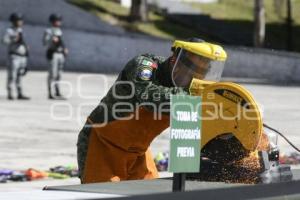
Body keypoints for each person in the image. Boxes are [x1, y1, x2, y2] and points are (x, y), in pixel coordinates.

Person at [77, 38, 227, 183]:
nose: (194, 79)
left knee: (152, 193)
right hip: (101, 144)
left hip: (138, 153)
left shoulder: (189, 90)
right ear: (175, 60)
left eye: (201, 72)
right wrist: (191, 98)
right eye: (192, 71)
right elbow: (147, 95)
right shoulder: (145, 65)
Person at [2, 13, 30, 100]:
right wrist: (14, 39)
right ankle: (10, 93)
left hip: (22, 56)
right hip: (14, 56)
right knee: (12, 75)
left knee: (19, 75)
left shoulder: (21, 30)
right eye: (18, 20)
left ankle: (20, 93)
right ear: (14, 21)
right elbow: (4, 41)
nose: (20, 22)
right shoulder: (10, 31)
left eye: (21, 20)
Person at [43, 13, 68, 99]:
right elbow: (45, 42)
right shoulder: (48, 31)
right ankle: (50, 93)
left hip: (60, 53)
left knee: (58, 74)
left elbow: (61, 41)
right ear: (53, 21)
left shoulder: (59, 31)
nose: (59, 22)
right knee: (52, 74)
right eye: (57, 20)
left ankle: (57, 91)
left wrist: (64, 49)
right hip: (52, 53)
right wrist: (51, 39)